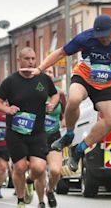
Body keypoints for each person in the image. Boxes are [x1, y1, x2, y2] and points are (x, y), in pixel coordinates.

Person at [28, 14, 111, 172]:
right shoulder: (85, 38)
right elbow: (60, 53)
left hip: (105, 84)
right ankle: (69, 135)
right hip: (84, 77)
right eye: (100, 37)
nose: (103, 40)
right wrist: (39, 69)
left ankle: (79, 149)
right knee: (75, 99)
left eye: (106, 37)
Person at [0, 47, 59, 208]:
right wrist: (7, 109)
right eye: (27, 58)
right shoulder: (10, 81)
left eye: (33, 58)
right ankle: (21, 200)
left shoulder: (43, 78)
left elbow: (55, 94)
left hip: (37, 132)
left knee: (39, 167)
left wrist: (52, 104)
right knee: (20, 167)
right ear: (19, 60)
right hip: (16, 132)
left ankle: (30, 181)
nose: (30, 62)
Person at [43, 66, 67, 208]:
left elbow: (65, 113)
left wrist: (65, 121)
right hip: (37, 137)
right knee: (38, 170)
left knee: (55, 170)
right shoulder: (35, 91)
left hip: (54, 135)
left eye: (51, 72)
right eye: (45, 72)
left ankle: (50, 190)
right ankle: (39, 200)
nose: (48, 74)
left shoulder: (60, 94)